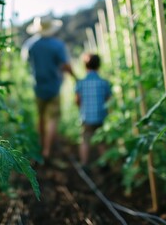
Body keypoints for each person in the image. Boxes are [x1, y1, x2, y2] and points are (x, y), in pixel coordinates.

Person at [21, 14, 76, 161]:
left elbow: (26, 62)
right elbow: (65, 65)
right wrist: (75, 77)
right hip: (54, 86)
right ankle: (47, 149)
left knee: (41, 117)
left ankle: (41, 143)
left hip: (38, 86)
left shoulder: (30, 45)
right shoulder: (57, 45)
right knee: (53, 118)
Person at [75, 53, 111, 167]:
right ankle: (104, 164)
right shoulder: (104, 82)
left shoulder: (81, 83)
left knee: (85, 140)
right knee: (101, 141)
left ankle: (84, 163)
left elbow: (77, 100)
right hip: (101, 116)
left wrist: (81, 107)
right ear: (99, 66)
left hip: (86, 117)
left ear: (85, 66)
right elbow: (108, 99)